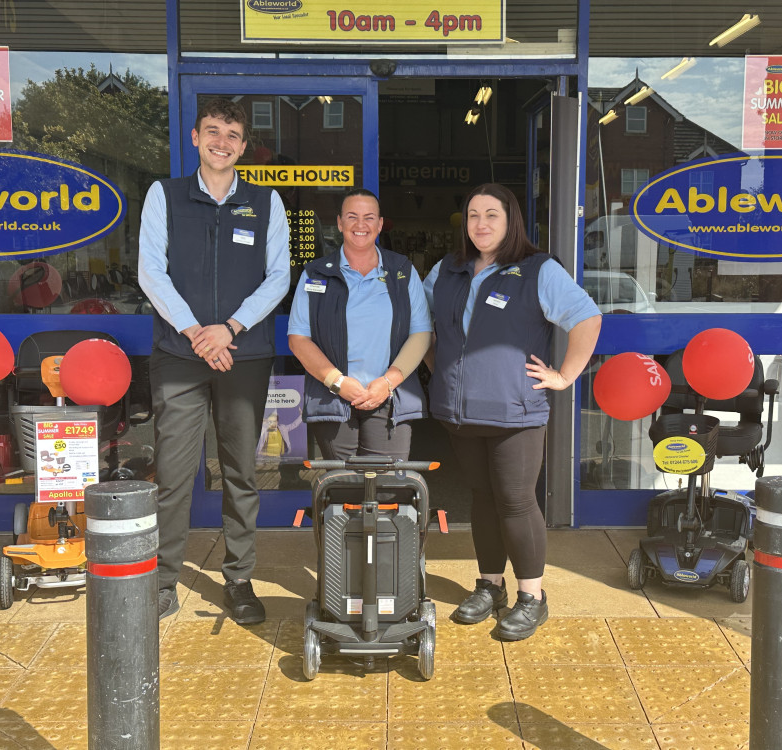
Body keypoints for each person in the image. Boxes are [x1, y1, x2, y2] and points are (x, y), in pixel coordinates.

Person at [424, 183, 602, 641]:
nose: (480, 224)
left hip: (515, 411)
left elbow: (587, 317)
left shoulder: (537, 269)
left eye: (491, 215)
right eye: (473, 216)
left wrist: (564, 376)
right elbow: (422, 327)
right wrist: (439, 368)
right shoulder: (447, 269)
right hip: (461, 412)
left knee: (516, 500)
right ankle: (489, 585)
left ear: (510, 221)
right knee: (482, 499)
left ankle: (532, 597)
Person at [138, 98, 291, 623]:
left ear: (244, 146)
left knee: (241, 471)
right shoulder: (165, 195)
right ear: (196, 137)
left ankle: (240, 579)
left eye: (232, 134)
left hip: (243, 353)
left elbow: (278, 279)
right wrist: (196, 333)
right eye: (212, 131)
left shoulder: (267, 202)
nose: (221, 142)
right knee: (175, 473)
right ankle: (162, 579)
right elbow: (151, 273)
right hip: (180, 355)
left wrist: (228, 330)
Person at [288, 188, 431, 460]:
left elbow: (421, 333)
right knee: (342, 490)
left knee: (388, 491)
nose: (360, 225)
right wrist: (338, 382)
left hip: (389, 397)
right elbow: (298, 339)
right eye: (352, 217)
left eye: (369, 217)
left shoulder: (402, 271)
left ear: (379, 224)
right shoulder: (315, 273)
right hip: (334, 398)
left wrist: (388, 382)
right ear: (339, 223)